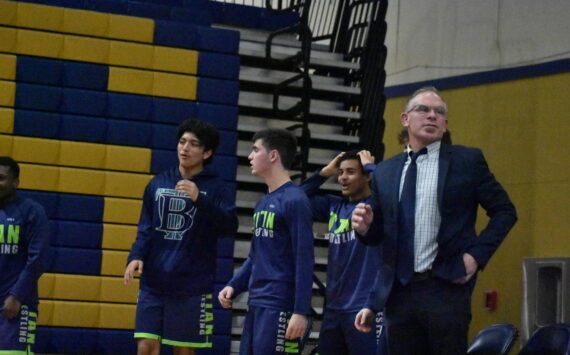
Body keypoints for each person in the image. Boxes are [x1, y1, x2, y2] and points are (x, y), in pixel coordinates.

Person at [352, 87, 517, 355]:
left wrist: (475, 257)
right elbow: (381, 236)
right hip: (399, 293)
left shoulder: (467, 161)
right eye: (423, 110)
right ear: (405, 119)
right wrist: (365, 228)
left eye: (439, 112)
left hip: (446, 287)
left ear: (445, 123)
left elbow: (505, 211)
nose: (432, 116)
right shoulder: (385, 172)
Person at [124, 119, 238, 355]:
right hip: (154, 282)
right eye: (182, 141)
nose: (185, 148)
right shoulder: (157, 183)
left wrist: (200, 200)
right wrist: (136, 255)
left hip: (191, 285)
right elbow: (146, 227)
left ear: (207, 153)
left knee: (184, 351)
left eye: (194, 144)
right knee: (145, 347)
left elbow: (229, 226)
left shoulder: (217, 187)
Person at [218, 128, 314, 355]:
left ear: (273, 156)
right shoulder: (264, 202)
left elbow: (305, 259)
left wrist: (300, 311)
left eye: (255, 150)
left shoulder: (295, 200)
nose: (250, 156)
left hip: (280, 304)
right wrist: (235, 284)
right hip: (257, 302)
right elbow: (256, 255)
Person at [299, 150, 387, 355]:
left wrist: (374, 169)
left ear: (366, 176)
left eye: (351, 172)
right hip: (334, 308)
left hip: (364, 307)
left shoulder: (378, 207)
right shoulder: (333, 205)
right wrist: (324, 173)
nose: (343, 178)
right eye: (340, 172)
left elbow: (392, 191)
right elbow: (295, 198)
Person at [0, 157, 51, 354]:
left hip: (15, 305)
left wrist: (17, 296)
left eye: (2, 178)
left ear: (16, 182)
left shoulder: (32, 212)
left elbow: (38, 259)